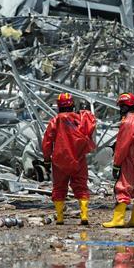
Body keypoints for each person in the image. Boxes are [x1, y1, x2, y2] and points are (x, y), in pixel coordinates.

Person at [42, 93, 97, 225]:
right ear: (72, 104)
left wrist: (46, 158)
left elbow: (47, 141)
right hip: (78, 159)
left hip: (60, 160)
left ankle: (60, 218)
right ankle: (84, 216)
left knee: (59, 188)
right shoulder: (81, 118)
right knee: (81, 188)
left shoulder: (55, 120)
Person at [103, 92, 134, 228]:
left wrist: (117, 164)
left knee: (122, 189)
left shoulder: (128, 121)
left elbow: (123, 145)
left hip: (130, 161)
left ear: (123, 106)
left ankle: (118, 220)